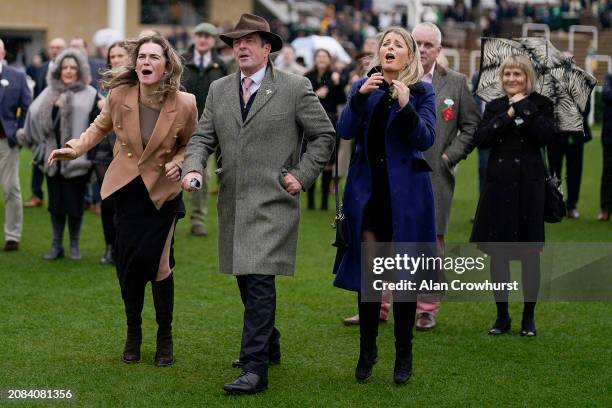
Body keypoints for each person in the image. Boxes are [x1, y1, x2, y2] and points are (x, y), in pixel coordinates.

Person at [181, 13, 334, 395]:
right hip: (233, 201)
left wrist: (302, 174)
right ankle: (269, 341)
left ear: (268, 48)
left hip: (274, 201)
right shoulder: (218, 89)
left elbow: (324, 135)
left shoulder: (295, 87)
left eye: (250, 40)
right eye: (237, 42)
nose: (242, 47)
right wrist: (194, 168)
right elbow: (202, 138)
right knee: (246, 278)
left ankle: (255, 367)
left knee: (260, 278)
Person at [47, 35, 198, 366]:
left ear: (167, 64)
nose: (146, 62)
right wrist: (74, 148)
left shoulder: (185, 103)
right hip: (126, 191)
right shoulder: (119, 94)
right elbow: (98, 129)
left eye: (154, 57)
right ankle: (133, 331)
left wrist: (178, 161)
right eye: (141, 56)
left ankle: (165, 336)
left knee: (160, 265)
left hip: (162, 195)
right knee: (128, 266)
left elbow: (193, 143)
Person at [332, 27, 437, 384]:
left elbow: (425, 138)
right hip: (369, 196)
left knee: (406, 279)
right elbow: (344, 131)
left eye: (398, 45)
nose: (390, 49)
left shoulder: (423, 91)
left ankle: (403, 355)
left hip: (407, 198)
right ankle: (367, 351)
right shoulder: (365, 86)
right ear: (379, 53)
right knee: (370, 277)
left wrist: (407, 106)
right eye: (385, 44)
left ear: (410, 55)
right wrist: (358, 98)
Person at [470, 55, 555, 337]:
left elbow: (545, 136)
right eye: (507, 74)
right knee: (499, 255)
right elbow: (480, 139)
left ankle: (528, 316)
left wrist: (523, 106)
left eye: (517, 74)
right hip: (498, 189)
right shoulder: (494, 106)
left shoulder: (542, 104)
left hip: (530, 190)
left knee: (531, 256)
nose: (511, 79)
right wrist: (506, 116)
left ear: (527, 77)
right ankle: (502, 315)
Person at [413, 22, 480, 330]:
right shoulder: (395, 77)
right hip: (396, 173)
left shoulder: (455, 82)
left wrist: (449, 156)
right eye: (418, 44)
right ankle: (379, 304)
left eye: (429, 45)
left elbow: (471, 126)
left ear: (439, 50)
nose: (423, 50)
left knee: (431, 243)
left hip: (435, 176)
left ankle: (427, 308)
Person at [20, 48, 98, 260]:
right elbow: (33, 115)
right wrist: (34, 138)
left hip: (78, 159)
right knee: (55, 204)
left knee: (75, 204)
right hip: (52, 159)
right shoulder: (49, 92)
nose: (69, 71)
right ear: (58, 70)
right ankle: (56, 245)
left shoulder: (90, 93)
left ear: (80, 70)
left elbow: (98, 123)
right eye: (65, 67)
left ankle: (74, 245)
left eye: (73, 67)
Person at [181, 22, 227, 237]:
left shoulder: (223, 66)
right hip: (180, 125)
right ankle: (167, 213)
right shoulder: (181, 63)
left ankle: (197, 219)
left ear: (213, 40)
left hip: (209, 129)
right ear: (194, 38)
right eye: (199, 35)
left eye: (207, 36)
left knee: (203, 174)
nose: (203, 39)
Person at [88, 41, 129, 265]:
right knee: (107, 199)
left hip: (125, 147)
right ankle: (110, 247)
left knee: (126, 199)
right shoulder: (103, 84)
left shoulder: (137, 82)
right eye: (112, 56)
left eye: (120, 55)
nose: (115, 60)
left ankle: (125, 245)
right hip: (104, 147)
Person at [25, 37, 66, 209]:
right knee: (37, 158)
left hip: (61, 122)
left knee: (60, 158)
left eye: (58, 47)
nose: (55, 50)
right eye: (52, 47)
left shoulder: (69, 69)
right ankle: (37, 194)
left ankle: (62, 197)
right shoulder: (40, 68)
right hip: (41, 121)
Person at [0, 38, 32, 251]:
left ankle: (12, 235)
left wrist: (17, 132)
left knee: (10, 188)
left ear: (2, 53)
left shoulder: (17, 76)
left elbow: (27, 106)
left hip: (5, 142)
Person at [305, 48, 346, 210]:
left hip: (331, 120)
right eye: (319, 56)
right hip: (311, 121)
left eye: (324, 56)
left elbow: (342, 99)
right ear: (315, 60)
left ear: (329, 60)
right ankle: (310, 201)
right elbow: (302, 98)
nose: (321, 59)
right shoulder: (308, 77)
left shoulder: (334, 77)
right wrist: (316, 93)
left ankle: (323, 203)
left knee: (329, 160)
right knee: (310, 158)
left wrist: (336, 84)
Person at [600, 72, 612, 221]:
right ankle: (605, 209)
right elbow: (606, 95)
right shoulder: (609, 78)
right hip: (610, 138)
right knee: (608, 173)